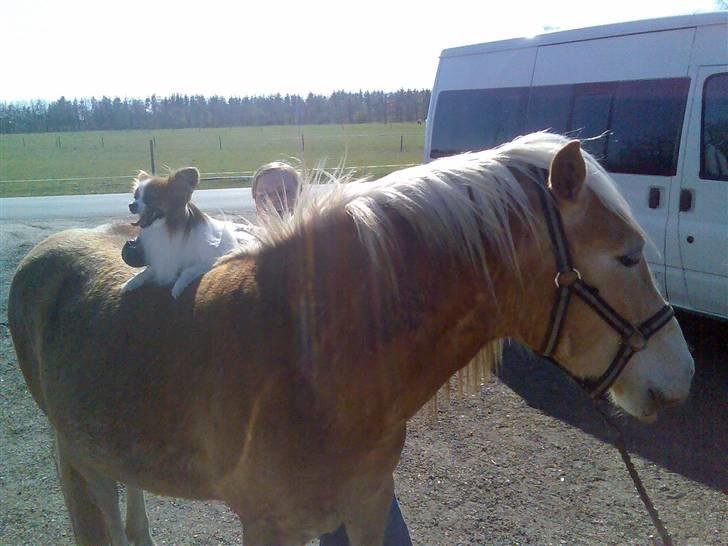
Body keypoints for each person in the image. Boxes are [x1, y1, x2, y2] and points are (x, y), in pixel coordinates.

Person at [250, 162, 413, 546]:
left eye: (285, 191)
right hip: (286, 422)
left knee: (370, 503)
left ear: (303, 194)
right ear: (255, 203)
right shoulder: (248, 258)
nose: (277, 200)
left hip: (348, 412)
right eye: (266, 194)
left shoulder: (334, 249)